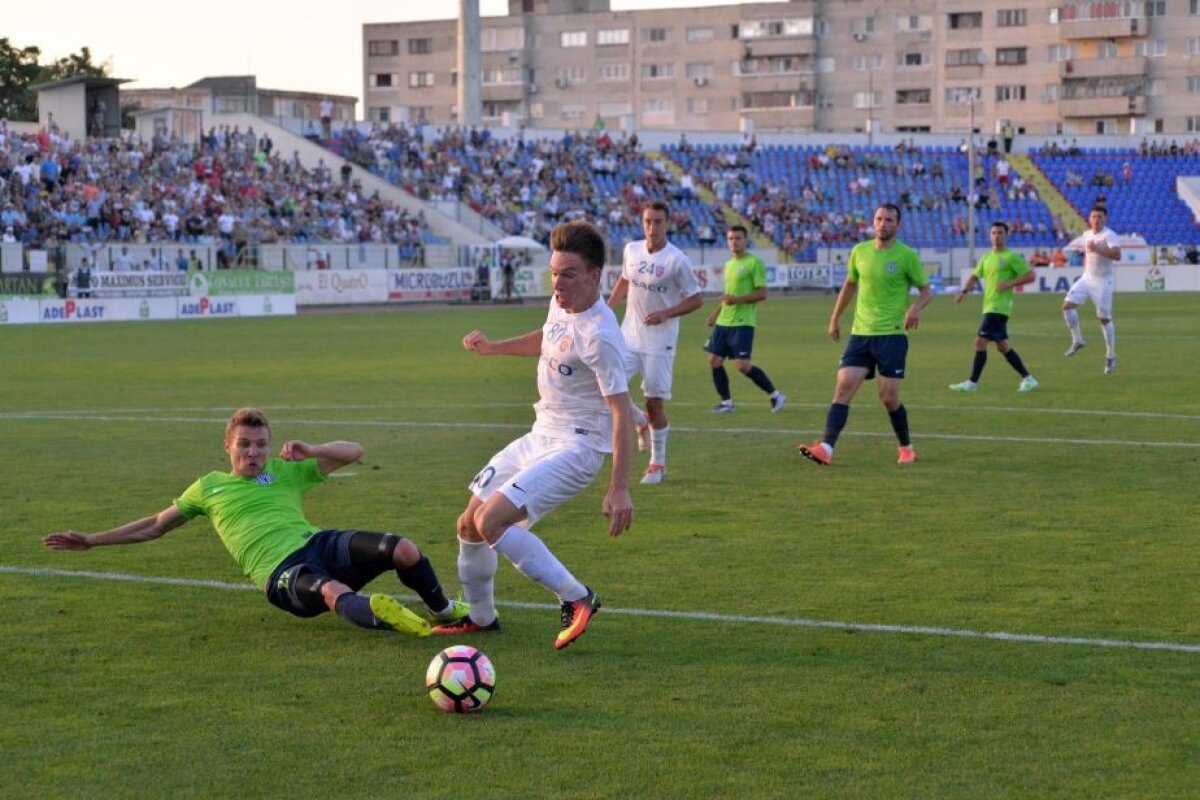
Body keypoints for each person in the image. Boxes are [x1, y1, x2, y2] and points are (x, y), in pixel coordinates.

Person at [42, 408, 467, 637]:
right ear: (227, 446)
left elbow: (354, 451)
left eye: (260, 444)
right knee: (334, 591)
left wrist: (311, 447)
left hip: (317, 543)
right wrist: (92, 541)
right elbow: (155, 525)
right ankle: (383, 617)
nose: (253, 452)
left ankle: (445, 611)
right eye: (244, 444)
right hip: (281, 571)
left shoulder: (284, 469)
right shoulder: (209, 487)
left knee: (404, 549)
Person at [434, 220, 635, 650]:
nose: (557, 283)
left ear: (596, 275)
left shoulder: (602, 337)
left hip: (577, 447)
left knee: (492, 521)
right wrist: (494, 348)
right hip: (540, 434)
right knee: (469, 523)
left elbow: (620, 414)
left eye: (568, 274)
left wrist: (619, 488)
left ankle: (578, 597)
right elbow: (546, 339)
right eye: (554, 272)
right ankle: (481, 618)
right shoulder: (560, 304)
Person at [798, 204, 933, 467]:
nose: (883, 224)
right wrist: (835, 318)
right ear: (873, 222)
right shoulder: (859, 251)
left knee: (889, 398)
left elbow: (926, 290)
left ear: (898, 224)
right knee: (843, 388)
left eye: (889, 220)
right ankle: (826, 448)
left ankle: (906, 447)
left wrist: (915, 307)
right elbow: (849, 285)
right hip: (860, 335)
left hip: (892, 336)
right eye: (879, 219)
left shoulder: (906, 255)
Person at [607, 201, 703, 485]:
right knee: (606, 387)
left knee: (654, 403)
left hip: (660, 341)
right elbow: (624, 281)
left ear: (668, 224)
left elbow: (696, 299)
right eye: (648, 221)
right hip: (629, 335)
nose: (652, 227)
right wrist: (607, 309)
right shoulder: (631, 250)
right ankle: (639, 422)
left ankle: (657, 464)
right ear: (642, 222)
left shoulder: (677, 260)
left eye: (658, 222)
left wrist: (666, 313)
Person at [703, 225, 787, 414]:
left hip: (743, 322)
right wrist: (715, 314)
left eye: (738, 238)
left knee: (742, 365)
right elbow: (728, 295)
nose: (734, 242)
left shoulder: (754, 263)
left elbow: (762, 293)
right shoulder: (728, 264)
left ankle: (775, 395)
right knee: (714, 360)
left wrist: (737, 300)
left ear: (746, 240)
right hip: (724, 321)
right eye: (731, 238)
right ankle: (726, 403)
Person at [949, 221, 1038, 393]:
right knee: (1002, 346)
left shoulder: (1011, 257)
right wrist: (964, 291)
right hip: (990, 306)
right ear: (990, 236)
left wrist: (1010, 283)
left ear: (1006, 235)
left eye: (1000, 233)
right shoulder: (986, 258)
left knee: (979, 341)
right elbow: (975, 276)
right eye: (994, 233)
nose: (997, 236)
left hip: (999, 307)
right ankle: (1028, 379)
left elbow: (1031, 275)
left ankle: (972, 383)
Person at [1062, 206, 1121, 374]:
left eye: (1100, 217)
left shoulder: (1109, 235)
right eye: (1093, 217)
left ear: (1105, 219)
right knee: (1066, 306)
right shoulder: (1086, 234)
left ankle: (1110, 355)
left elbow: (1117, 255)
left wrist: (1098, 249)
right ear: (1089, 219)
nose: (1096, 220)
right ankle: (1078, 340)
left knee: (1104, 319)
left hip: (1103, 282)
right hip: (1087, 278)